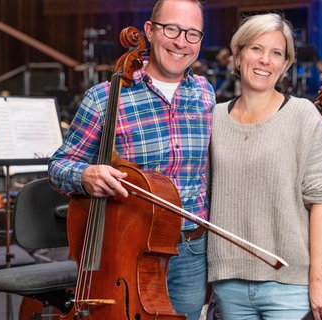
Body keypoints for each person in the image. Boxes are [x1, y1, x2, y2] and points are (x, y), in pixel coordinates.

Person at [47, 1, 214, 319]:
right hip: (127, 251)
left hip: (191, 249)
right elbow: (58, 166)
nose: (181, 42)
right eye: (172, 29)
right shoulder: (104, 97)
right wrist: (85, 176)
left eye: (192, 34)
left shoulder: (206, 94)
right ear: (150, 31)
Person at [207, 13, 322, 320]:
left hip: (290, 287)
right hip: (228, 283)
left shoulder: (304, 115)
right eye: (256, 49)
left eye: (276, 53)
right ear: (238, 56)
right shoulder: (213, 117)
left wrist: (319, 280)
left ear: (285, 65)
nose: (265, 60)